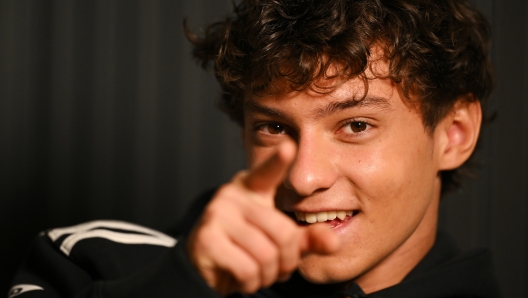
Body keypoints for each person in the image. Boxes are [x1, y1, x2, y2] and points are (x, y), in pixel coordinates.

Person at [9, 0, 499, 297]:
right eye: (274, 128)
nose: (304, 178)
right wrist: (182, 286)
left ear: (453, 134)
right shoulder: (88, 264)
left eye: (355, 125)